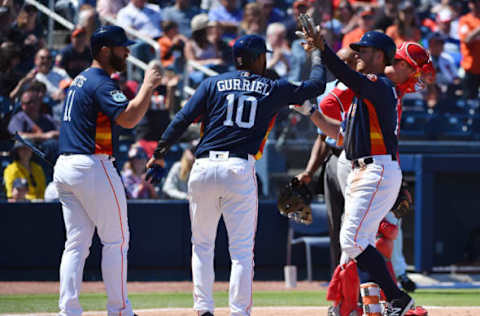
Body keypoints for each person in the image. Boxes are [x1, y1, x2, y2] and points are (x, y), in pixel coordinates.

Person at [146, 34, 326, 316]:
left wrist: (159, 153)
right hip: (238, 169)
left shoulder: (212, 83)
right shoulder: (272, 87)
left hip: (203, 166)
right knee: (241, 251)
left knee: (202, 245)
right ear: (256, 58)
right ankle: (239, 312)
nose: (265, 60)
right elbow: (317, 84)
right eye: (263, 56)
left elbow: (181, 119)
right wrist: (317, 53)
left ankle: (203, 309)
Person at [298, 24, 414, 315]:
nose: (358, 54)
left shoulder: (377, 83)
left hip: (376, 170)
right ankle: (367, 301)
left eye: (364, 50)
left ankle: (396, 298)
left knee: (352, 240)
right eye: (358, 49)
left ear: (379, 55)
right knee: (354, 241)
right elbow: (340, 135)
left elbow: (345, 74)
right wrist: (310, 112)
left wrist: (322, 50)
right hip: (366, 169)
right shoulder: (366, 93)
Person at [53, 25, 163, 316]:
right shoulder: (101, 81)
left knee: (76, 243)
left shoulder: (80, 79)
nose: (127, 51)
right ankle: (120, 309)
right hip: (92, 164)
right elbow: (128, 119)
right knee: (116, 240)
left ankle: (69, 310)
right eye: (121, 47)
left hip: (66, 165)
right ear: (104, 50)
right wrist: (148, 86)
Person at [458, 0, 480, 100]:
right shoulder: (465, 20)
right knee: (469, 102)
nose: (475, 5)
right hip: (470, 68)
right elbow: (466, 39)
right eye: (473, 2)